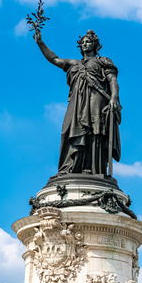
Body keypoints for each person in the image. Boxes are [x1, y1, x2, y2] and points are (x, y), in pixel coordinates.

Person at [34, 29, 121, 175]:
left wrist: (114, 97)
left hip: (96, 99)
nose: (85, 44)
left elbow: (113, 80)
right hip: (77, 102)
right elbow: (55, 59)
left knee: (95, 130)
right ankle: (72, 167)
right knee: (68, 129)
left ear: (95, 45)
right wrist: (40, 43)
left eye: (88, 42)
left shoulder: (103, 61)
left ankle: (94, 169)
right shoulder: (73, 63)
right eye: (83, 42)